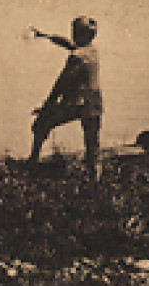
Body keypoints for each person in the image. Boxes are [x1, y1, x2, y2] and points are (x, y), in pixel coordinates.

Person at [27, 16, 103, 178]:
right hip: (94, 103)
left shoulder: (76, 57)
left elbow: (61, 84)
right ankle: (95, 182)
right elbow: (69, 44)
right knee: (93, 146)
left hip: (77, 103)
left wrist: (47, 106)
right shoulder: (92, 51)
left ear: (78, 33)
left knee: (41, 123)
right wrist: (46, 36)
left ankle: (32, 163)